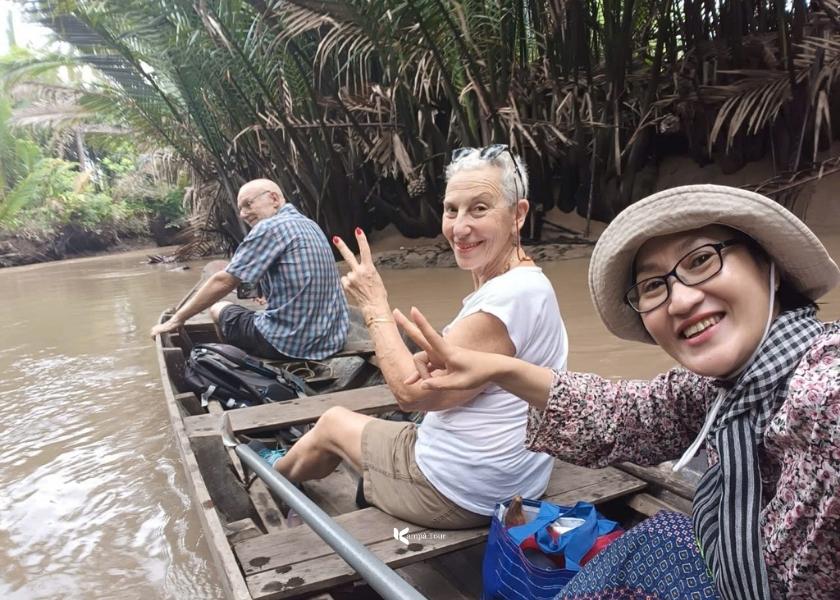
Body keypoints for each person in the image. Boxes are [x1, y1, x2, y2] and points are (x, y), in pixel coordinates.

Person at [394, 184, 840, 599]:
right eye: (653, 286)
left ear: (770, 267)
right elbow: (630, 415)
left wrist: (377, 307)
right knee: (657, 534)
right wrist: (500, 368)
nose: (681, 301)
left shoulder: (821, 395)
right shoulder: (725, 389)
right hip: (741, 572)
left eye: (702, 260)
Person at [257, 145, 568, 529]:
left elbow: (410, 396)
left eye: (480, 209)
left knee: (332, 421)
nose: (459, 227)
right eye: (452, 209)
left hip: (464, 492)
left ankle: (273, 474)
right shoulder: (527, 283)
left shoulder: (507, 298)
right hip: (518, 479)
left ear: (517, 214)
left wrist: (374, 304)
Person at [150, 179, 349, 360]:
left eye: (248, 204)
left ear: (273, 198)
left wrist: (176, 320)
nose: (243, 214)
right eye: (240, 209)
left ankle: (240, 364)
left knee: (218, 308)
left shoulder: (270, 227)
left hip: (291, 343)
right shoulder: (310, 224)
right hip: (332, 341)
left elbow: (224, 281)